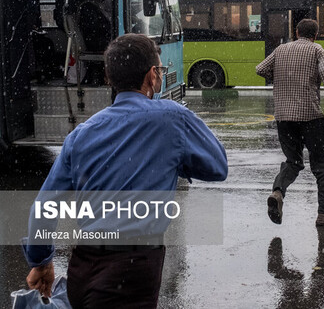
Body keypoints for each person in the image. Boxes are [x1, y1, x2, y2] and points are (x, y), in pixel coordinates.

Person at [24, 33, 228, 308]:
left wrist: (41, 261)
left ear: (109, 78)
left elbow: (45, 206)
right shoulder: (171, 118)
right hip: (132, 270)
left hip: (82, 269)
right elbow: (218, 166)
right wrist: (173, 160)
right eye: (159, 69)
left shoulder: (81, 134)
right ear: (152, 76)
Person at [256, 18, 324, 227]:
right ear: (315, 35)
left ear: (296, 32)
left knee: (293, 162)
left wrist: (278, 75)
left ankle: (277, 192)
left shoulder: (280, 50)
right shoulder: (317, 51)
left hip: (284, 118)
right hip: (311, 117)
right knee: (321, 164)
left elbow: (260, 69)